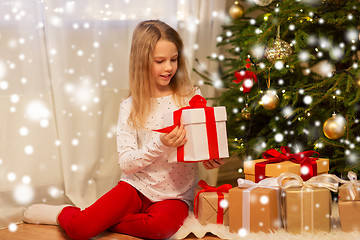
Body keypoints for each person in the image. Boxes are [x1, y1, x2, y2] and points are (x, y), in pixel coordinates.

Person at [23, 19, 225, 240]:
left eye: (173, 59)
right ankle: (64, 214)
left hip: (175, 196)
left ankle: (95, 218)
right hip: (136, 187)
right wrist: (161, 143)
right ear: (141, 62)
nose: (168, 67)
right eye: (160, 61)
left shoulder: (191, 97)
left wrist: (210, 157)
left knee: (159, 229)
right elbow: (127, 164)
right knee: (80, 230)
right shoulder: (130, 106)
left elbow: (199, 146)